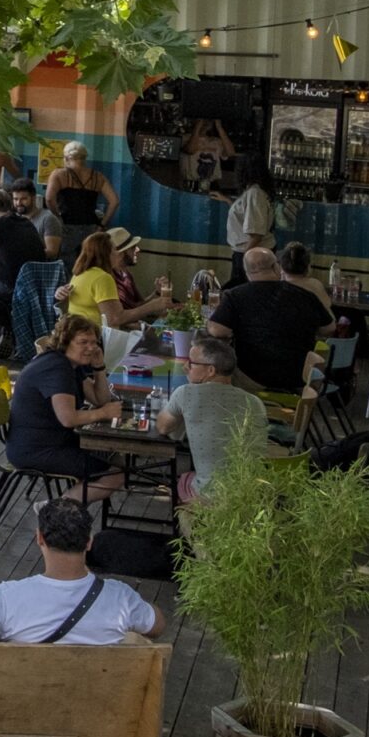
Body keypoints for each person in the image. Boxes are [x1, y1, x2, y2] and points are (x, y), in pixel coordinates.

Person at [0, 498, 165, 644]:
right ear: (89, 541)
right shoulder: (121, 599)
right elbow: (157, 626)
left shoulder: (6, 598)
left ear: (39, 538)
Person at [6, 318, 126, 498]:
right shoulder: (57, 369)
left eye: (94, 342)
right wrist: (103, 413)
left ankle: (71, 505)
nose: (91, 347)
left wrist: (99, 367)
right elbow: (68, 418)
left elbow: (100, 399)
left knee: (114, 457)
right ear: (65, 342)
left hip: (52, 441)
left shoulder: (69, 364)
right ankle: (55, 511)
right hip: (36, 449)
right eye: (83, 342)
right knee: (115, 475)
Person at [207, 244, 333, 394]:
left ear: (247, 272)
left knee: (213, 372)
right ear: (276, 267)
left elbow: (217, 330)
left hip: (254, 379)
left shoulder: (235, 296)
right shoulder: (305, 295)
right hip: (299, 379)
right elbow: (329, 328)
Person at [154, 336, 269, 500]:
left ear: (211, 371)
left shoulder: (185, 393)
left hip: (211, 496)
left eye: (191, 363)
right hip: (251, 492)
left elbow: (163, 427)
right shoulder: (255, 402)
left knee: (182, 479)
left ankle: (189, 519)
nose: (186, 367)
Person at [62, 228, 171, 335]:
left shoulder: (80, 274)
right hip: (96, 339)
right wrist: (152, 306)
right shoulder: (102, 278)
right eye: (114, 250)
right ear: (106, 253)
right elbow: (115, 318)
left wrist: (155, 299)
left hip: (78, 335)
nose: (118, 254)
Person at [0, 186, 47, 350]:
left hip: (11, 285)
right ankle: (8, 329)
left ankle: (8, 327)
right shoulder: (26, 222)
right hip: (35, 283)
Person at [46, 141, 119, 255]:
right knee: (89, 263)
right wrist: (102, 225)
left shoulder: (59, 175)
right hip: (92, 227)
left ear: (66, 158)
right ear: (85, 158)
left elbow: (49, 199)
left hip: (67, 226)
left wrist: (57, 216)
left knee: (68, 266)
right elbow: (114, 201)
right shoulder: (98, 177)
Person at [224, 157, 276, 290]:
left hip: (251, 253)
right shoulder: (254, 193)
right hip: (250, 251)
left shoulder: (254, 194)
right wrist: (228, 201)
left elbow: (256, 234)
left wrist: (245, 260)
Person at [9, 177, 63, 260]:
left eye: (23, 199)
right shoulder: (13, 219)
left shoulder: (48, 219)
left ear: (33, 198)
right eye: (15, 199)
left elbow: (52, 252)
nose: (18, 203)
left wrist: (21, 254)